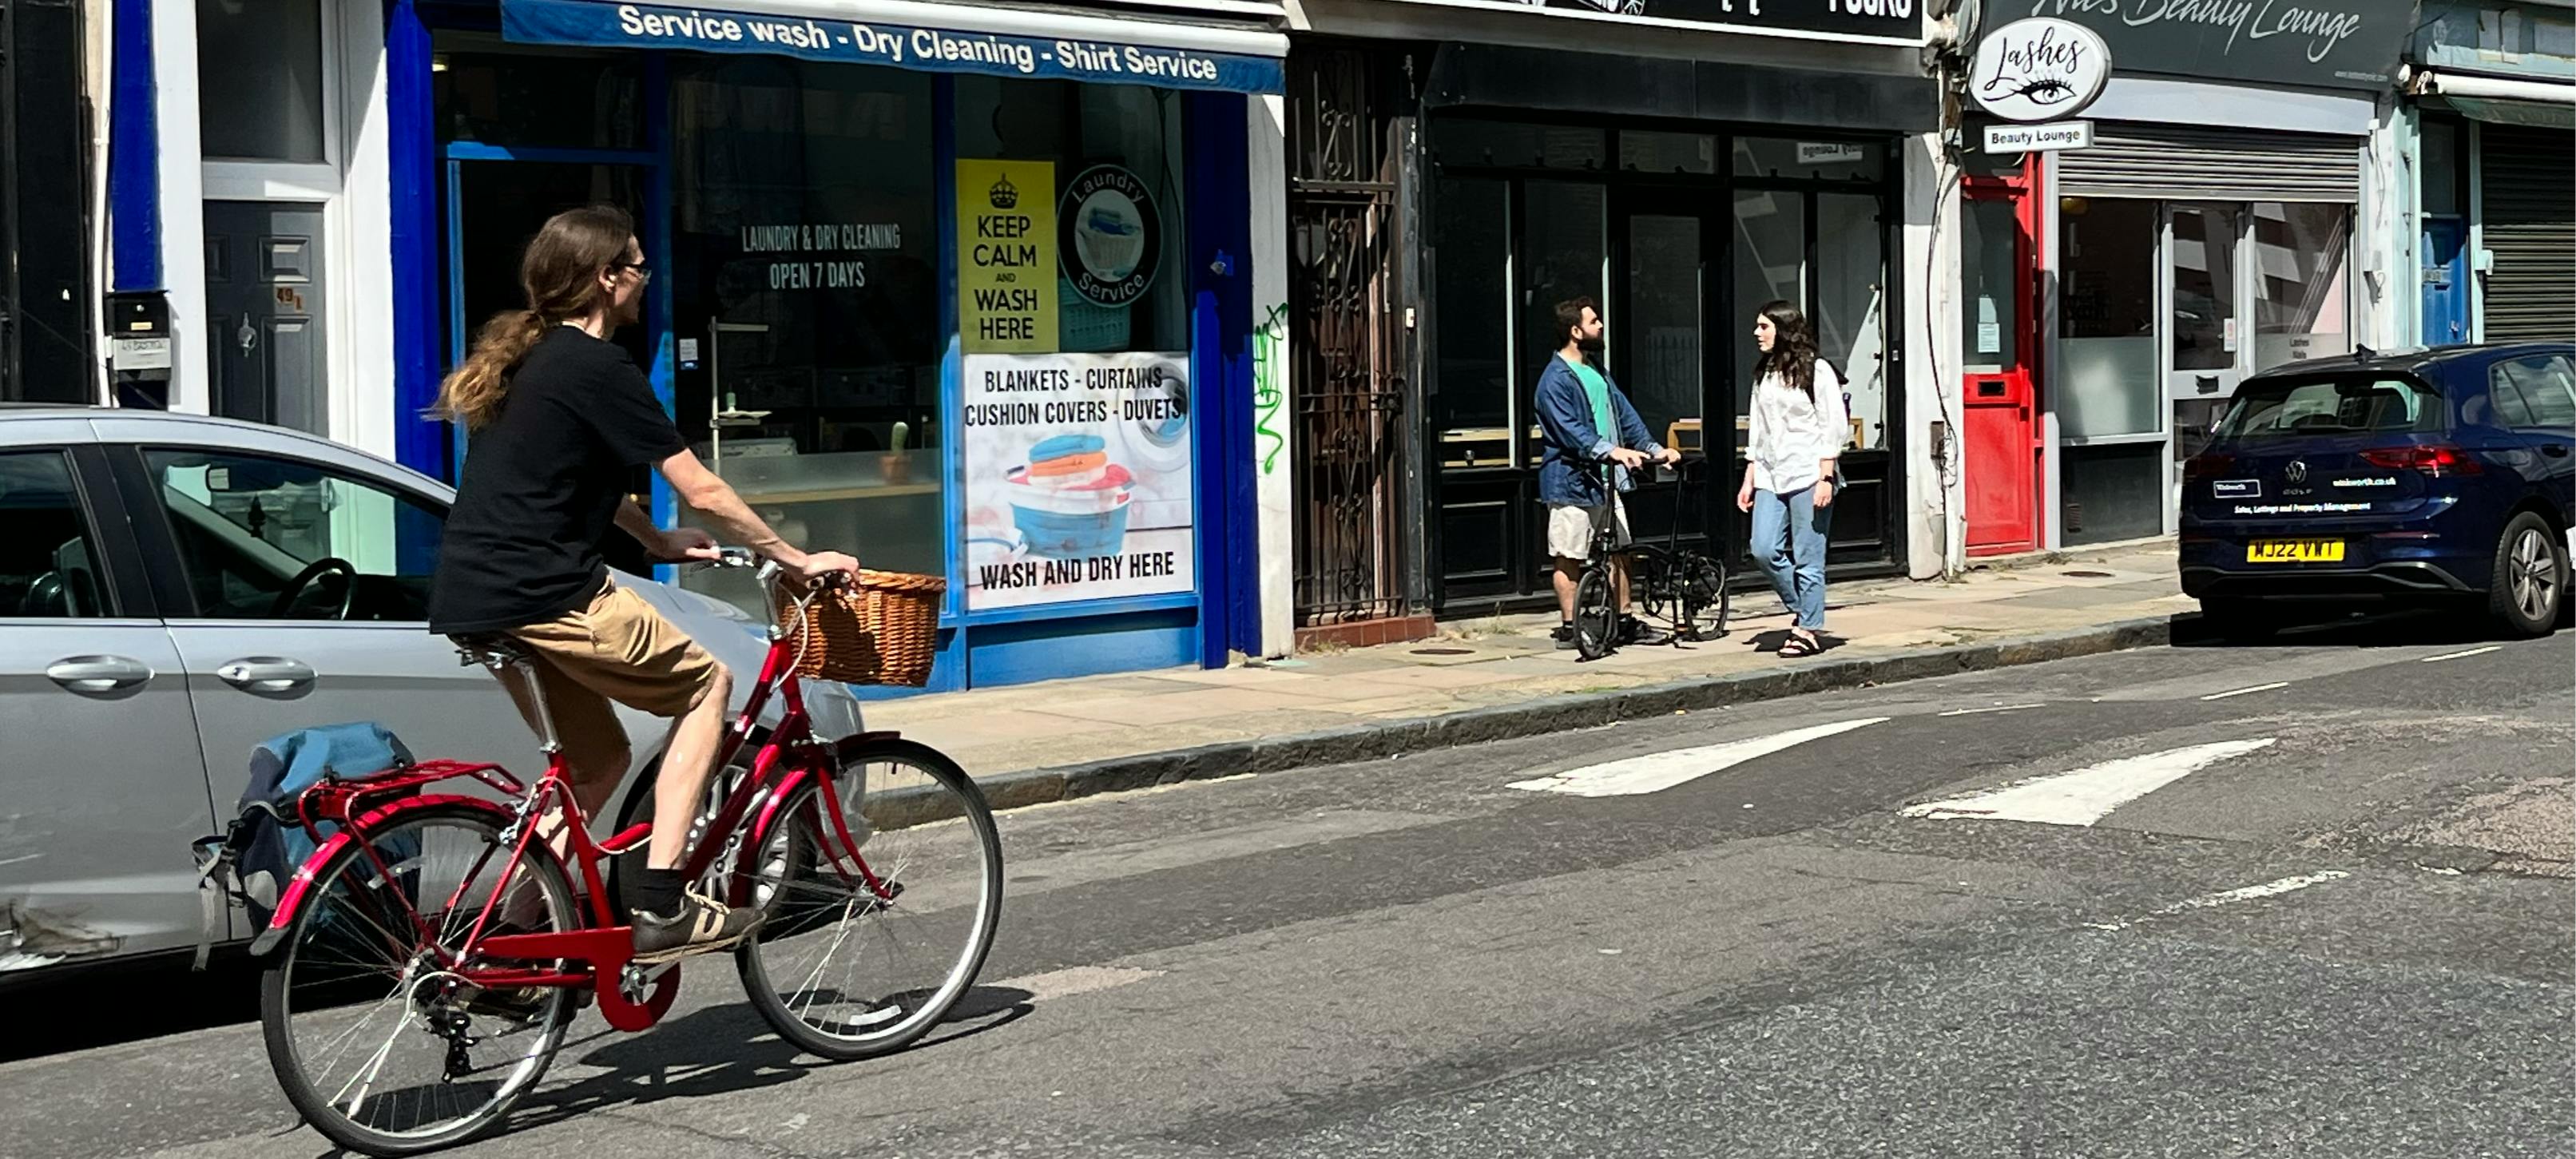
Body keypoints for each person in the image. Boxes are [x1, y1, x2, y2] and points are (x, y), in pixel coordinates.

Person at [427, 205, 860, 963]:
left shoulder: (531, 361)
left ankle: (509, 938)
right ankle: (661, 901)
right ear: (606, 278)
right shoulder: (598, 366)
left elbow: (575, 476)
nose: (643, 282)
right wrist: (793, 559)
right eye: (637, 266)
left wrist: (654, 541)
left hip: (476, 598)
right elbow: (702, 487)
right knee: (706, 688)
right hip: (549, 591)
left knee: (595, 767)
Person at [1535, 296, 1681, 650]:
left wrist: (1652, 448)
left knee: (1621, 551)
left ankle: (1626, 620)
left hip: (1606, 479)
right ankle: (1571, 628)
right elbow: (1569, 429)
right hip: (1571, 480)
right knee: (1569, 554)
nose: (1600, 326)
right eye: (1594, 321)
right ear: (1575, 331)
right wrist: (1610, 450)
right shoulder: (1554, 380)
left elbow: (1624, 414)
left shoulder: (1596, 370)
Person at [1736, 300, 1848, 659]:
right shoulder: (1765, 372)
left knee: (1808, 556)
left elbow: (1833, 424)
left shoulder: (1818, 371)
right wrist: (1749, 476)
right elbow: (1759, 428)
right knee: (1763, 548)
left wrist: (1825, 476)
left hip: (1808, 472)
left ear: (1783, 330)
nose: (1757, 333)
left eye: (1764, 327)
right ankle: (1804, 609)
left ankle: (1806, 630)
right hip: (1770, 472)